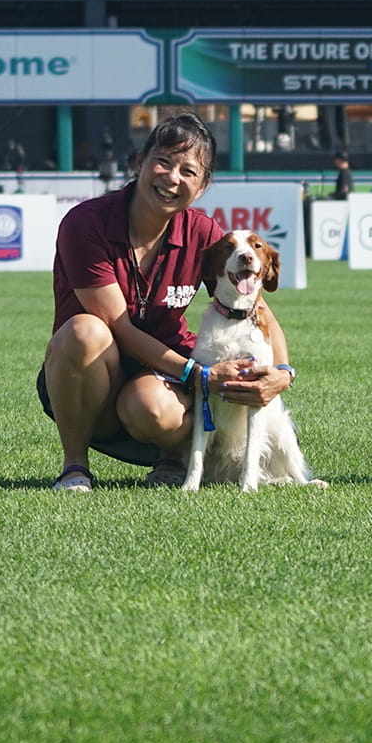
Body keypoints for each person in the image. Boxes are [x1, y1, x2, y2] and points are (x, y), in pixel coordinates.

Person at [39, 113, 293, 491]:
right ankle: (74, 466)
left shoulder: (204, 232)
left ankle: (172, 459)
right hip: (91, 380)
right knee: (84, 330)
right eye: (163, 162)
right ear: (140, 162)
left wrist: (282, 373)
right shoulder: (85, 222)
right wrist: (201, 375)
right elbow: (118, 325)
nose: (173, 178)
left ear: (203, 186)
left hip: (161, 385)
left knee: (151, 407)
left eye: (188, 171)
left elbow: (257, 309)